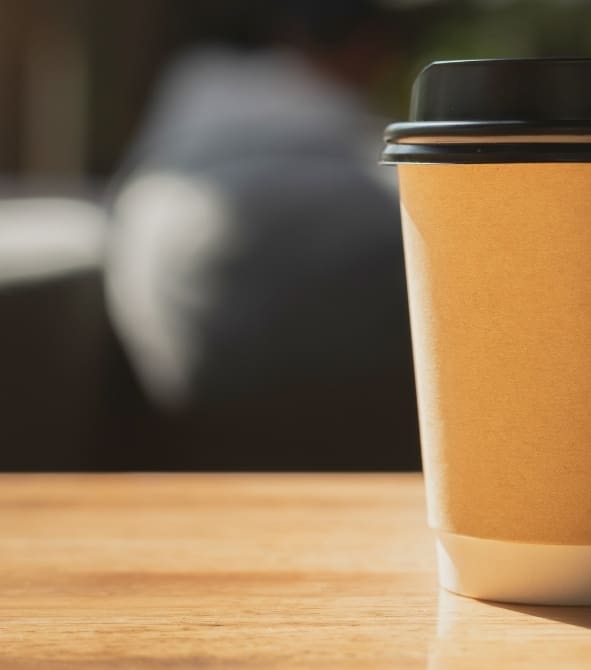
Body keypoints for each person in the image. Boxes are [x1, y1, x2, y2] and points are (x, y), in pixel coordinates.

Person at [105, 1, 421, 469]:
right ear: (366, 49)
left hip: (180, 370)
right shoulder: (345, 124)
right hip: (351, 383)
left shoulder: (194, 89)